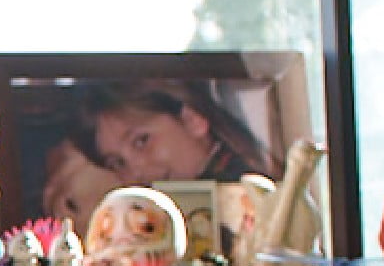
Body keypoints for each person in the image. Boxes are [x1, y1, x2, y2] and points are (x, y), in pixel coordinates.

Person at [79, 79, 275, 188]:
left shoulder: (246, 198)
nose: (135, 173)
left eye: (141, 141)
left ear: (192, 120)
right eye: (118, 163)